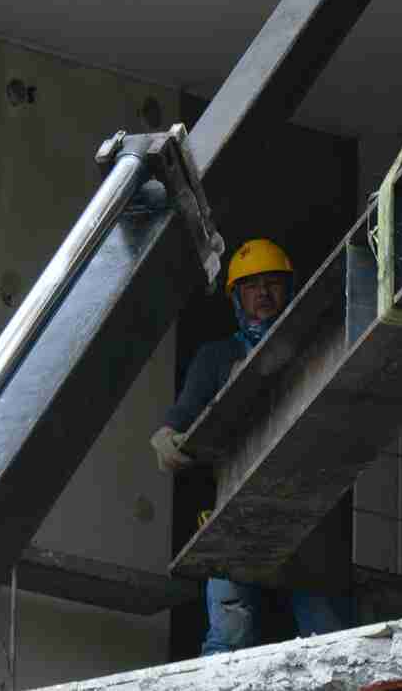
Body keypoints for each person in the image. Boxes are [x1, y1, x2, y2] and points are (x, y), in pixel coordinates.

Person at [150, 238, 351, 654]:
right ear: (237, 297)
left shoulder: (312, 346)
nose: (263, 293)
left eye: (272, 283)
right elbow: (182, 416)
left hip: (301, 506)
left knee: (325, 635)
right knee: (229, 633)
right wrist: (167, 435)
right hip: (233, 508)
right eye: (251, 285)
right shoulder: (217, 358)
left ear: (289, 289)